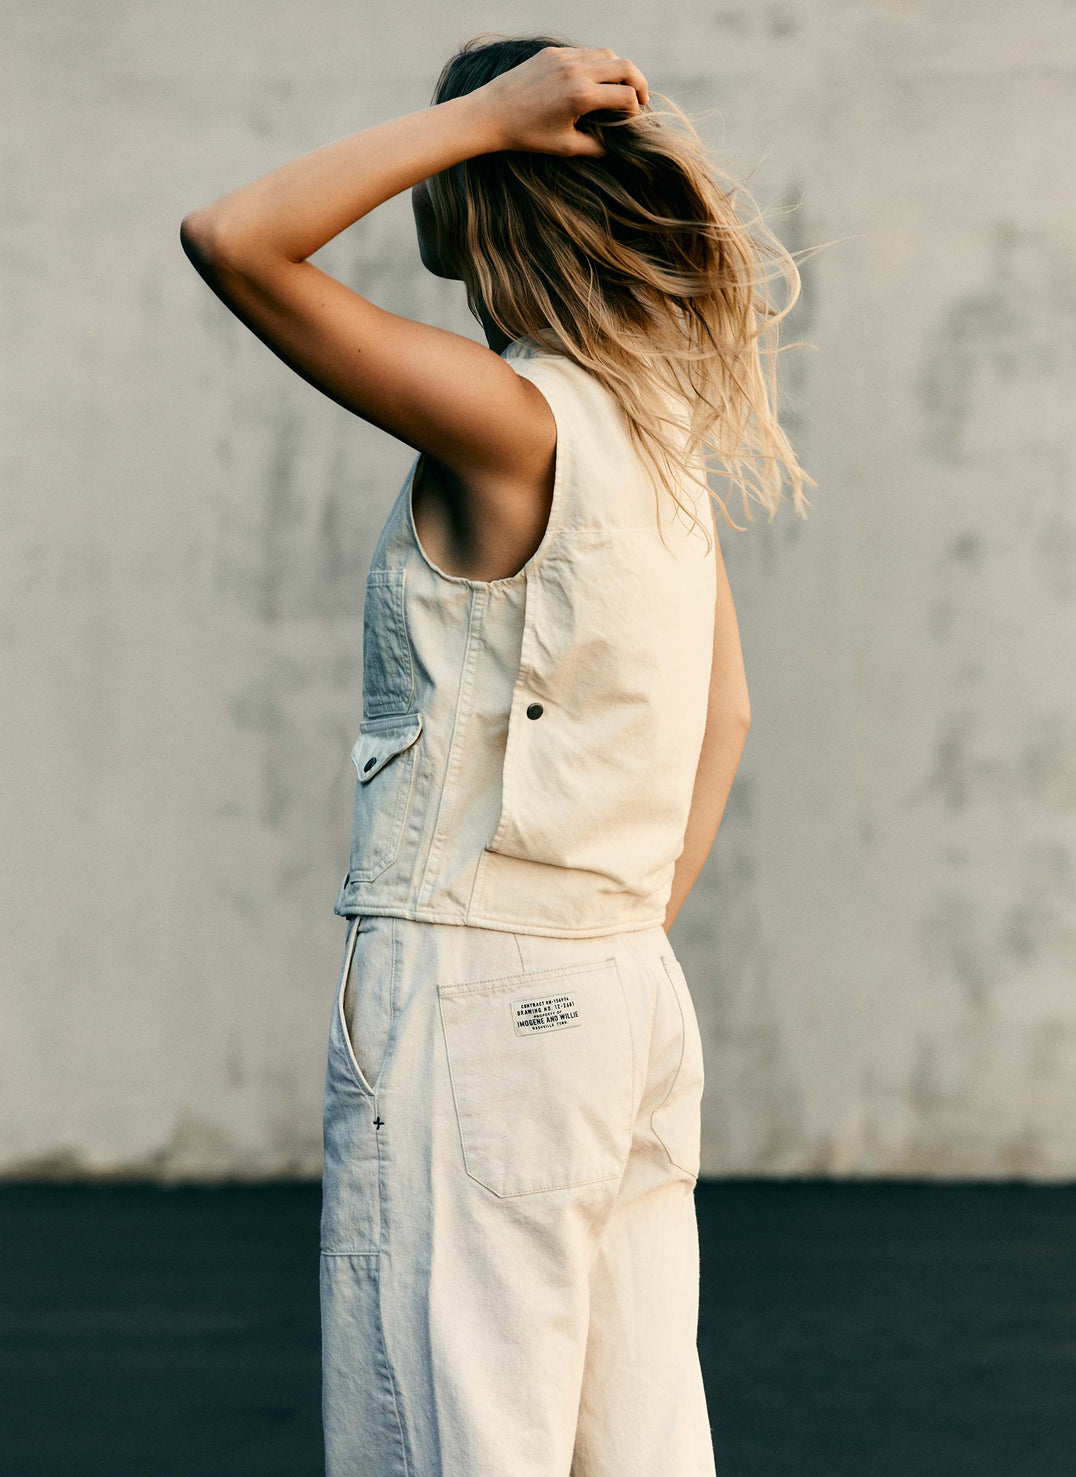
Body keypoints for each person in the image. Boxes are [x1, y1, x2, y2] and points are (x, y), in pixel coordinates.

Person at [181, 32, 814, 1476]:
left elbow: (235, 240)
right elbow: (727, 718)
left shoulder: (514, 423)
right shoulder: (659, 438)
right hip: (625, 989)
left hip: (475, 984)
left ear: (487, 184)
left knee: (454, 1441)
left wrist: (478, 112)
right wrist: (603, 943)